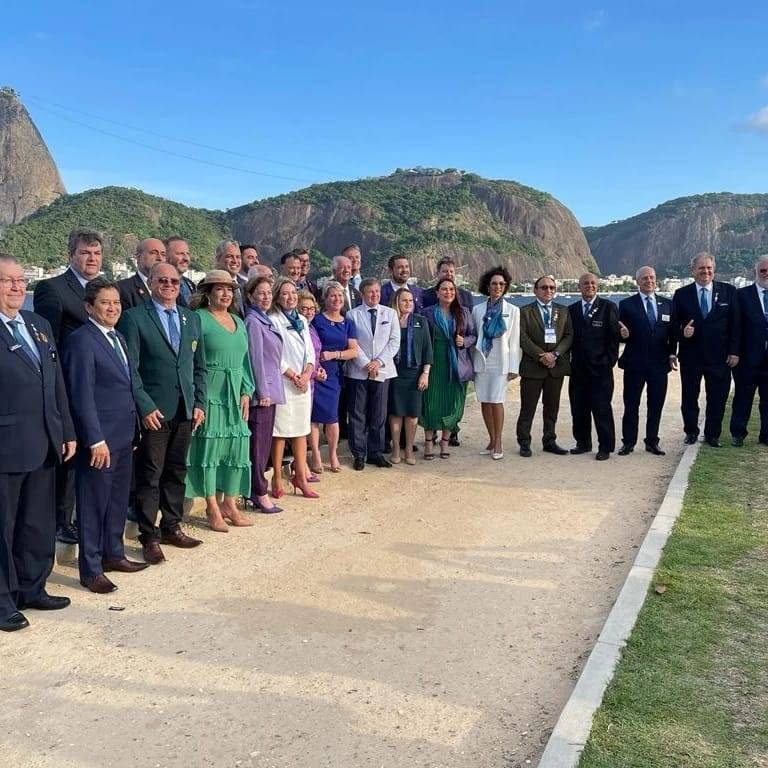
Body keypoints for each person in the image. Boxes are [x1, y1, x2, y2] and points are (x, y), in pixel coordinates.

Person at [0, 254, 76, 632]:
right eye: (7, 281)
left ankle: (33, 587)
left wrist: (67, 431)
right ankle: (2, 600)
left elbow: (56, 381)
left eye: (20, 280)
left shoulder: (37, 323)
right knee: (3, 526)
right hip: (6, 445)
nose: (17, 287)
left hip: (45, 441)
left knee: (36, 522)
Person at [62, 278, 147, 594]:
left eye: (116, 303)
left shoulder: (119, 339)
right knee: (93, 504)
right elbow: (81, 395)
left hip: (124, 435)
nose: (113, 308)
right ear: (89, 307)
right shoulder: (81, 341)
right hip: (99, 440)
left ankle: (114, 554)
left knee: (115, 501)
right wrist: (94, 439)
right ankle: (91, 568)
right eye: (105, 303)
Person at [118, 262, 207, 563]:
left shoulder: (190, 318)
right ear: (152, 283)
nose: (169, 285)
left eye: (174, 280)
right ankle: (148, 535)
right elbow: (131, 368)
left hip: (185, 408)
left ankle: (171, 526)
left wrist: (200, 402)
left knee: (176, 470)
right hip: (155, 411)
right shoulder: (133, 318)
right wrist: (144, 405)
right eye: (162, 280)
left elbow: (199, 367)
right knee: (150, 474)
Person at [33, 227, 103, 545]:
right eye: (85, 252)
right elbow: (50, 343)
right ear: (71, 255)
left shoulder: (104, 289)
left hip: (101, 385)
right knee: (69, 455)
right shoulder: (53, 289)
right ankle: (61, 520)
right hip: (69, 384)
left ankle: (83, 515)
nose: (92, 258)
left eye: (97, 253)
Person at [185, 270, 255, 532]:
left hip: (236, 393)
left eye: (230, 289)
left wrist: (247, 390)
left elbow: (246, 362)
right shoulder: (198, 319)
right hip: (211, 392)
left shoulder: (238, 320)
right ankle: (212, 506)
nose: (226, 294)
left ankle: (230, 502)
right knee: (210, 450)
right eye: (220, 289)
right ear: (208, 293)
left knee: (236, 449)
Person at [673, 252, 740, 447]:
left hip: (720, 358)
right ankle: (691, 432)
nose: (706, 271)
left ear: (714, 269)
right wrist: (682, 332)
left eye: (709, 268)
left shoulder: (729, 291)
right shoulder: (681, 294)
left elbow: (736, 325)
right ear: (692, 270)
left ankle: (712, 435)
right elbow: (673, 326)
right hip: (691, 356)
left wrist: (734, 351)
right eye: (701, 268)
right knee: (689, 397)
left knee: (717, 397)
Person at [617, 266, 678, 456]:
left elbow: (673, 333)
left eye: (651, 277)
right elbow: (620, 333)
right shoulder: (626, 305)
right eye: (644, 278)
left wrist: (672, 353)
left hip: (659, 364)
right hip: (635, 364)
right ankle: (628, 442)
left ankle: (652, 441)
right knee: (631, 405)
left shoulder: (667, 304)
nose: (649, 281)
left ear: (656, 279)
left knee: (656, 405)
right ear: (638, 282)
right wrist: (622, 335)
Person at [269, 278, 317, 498]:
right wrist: (293, 375)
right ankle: (277, 477)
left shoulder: (302, 320)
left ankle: (301, 475)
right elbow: (273, 355)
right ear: (278, 297)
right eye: (285, 293)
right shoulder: (273, 319)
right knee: (280, 433)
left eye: (294, 293)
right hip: (285, 383)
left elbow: (310, 352)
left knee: (301, 431)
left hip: (302, 384)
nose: (291, 297)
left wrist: (307, 374)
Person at [345, 278, 401, 470]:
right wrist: (366, 363)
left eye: (377, 291)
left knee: (379, 414)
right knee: (357, 414)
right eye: (370, 292)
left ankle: (375, 452)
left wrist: (378, 362)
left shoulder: (390, 314)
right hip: (359, 371)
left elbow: (394, 342)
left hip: (382, 369)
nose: (375, 295)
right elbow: (352, 342)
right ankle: (359, 453)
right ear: (362, 294)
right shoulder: (352, 315)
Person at [516, 276, 573, 457]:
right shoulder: (524, 312)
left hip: (555, 367)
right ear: (535, 290)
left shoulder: (563, 311)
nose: (548, 290)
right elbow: (522, 337)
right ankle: (524, 442)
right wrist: (541, 356)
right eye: (544, 287)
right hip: (533, 367)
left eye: (552, 288)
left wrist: (555, 354)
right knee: (528, 408)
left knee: (551, 407)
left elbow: (569, 336)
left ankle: (549, 441)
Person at [421, 279, 477, 459]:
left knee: (452, 404)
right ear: (437, 293)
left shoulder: (464, 313)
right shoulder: (427, 313)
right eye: (444, 289)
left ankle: (445, 443)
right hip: (434, 363)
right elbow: (423, 341)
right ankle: (429, 443)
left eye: (451, 289)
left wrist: (465, 341)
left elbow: (473, 335)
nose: (448, 292)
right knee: (430, 403)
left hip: (457, 365)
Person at [567, 272, 621, 461]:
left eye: (592, 283)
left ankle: (605, 446)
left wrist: (608, 362)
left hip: (601, 370)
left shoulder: (608, 307)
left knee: (601, 408)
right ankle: (583, 443)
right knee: (578, 408)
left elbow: (614, 339)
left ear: (597, 286)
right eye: (585, 283)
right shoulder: (572, 310)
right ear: (579, 287)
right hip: (578, 370)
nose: (589, 286)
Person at [244, 276, 285, 514]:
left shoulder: (264, 319)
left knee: (263, 443)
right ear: (250, 296)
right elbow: (255, 360)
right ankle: (259, 492)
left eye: (269, 292)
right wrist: (262, 390)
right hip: (263, 394)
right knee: (258, 447)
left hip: (271, 390)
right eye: (261, 293)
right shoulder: (253, 321)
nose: (266, 297)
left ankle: (257, 490)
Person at [308, 282, 359, 472]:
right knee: (313, 417)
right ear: (325, 299)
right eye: (332, 296)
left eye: (339, 296)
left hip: (334, 373)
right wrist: (317, 367)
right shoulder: (317, 320)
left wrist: (335, 355)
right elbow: (310, 345)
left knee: (332, 416)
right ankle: (316, 455)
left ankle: (332, 454)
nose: (337, 299)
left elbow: (354, 351)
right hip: (316, 371)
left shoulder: (347, 323)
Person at [472, 267, 520, 460]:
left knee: (497, 400)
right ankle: (491, 439)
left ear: (505, 286)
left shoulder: (513, 311)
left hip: (501, 362)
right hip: (482, 360)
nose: (498, 287)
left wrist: (513, 367)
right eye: (494, 283)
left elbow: (514, 341)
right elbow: (475, 336)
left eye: (501, 284)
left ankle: (499, 440)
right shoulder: (477, 310)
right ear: (487, 285)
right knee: (484, 399)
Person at [388, 288, 433, 465]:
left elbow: (427, 349)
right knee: (396, 412)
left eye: (411, 301)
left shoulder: (421, 322)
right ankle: (396, 447)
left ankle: (409, 448)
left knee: (412, 413)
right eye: (404, 301)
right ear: (396, 303)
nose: (408, 304)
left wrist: (425, 373)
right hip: (394, 373)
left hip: (414, 374)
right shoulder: (390, 322)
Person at [730, 256, 768, 446]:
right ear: (756, 272)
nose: (766, 274)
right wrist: (734, 352)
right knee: (743, 398)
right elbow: (735, 326)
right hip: (747, 358)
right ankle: (738, 434)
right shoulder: (742, 295)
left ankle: (766, 435)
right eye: (763, 270)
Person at [117, 238, 166, 309]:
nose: (160, 258)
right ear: (138, 257)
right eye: (153, 253)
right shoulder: (122, 289)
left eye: (163, 254)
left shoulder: (172, 288)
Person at [165, 236, 197, 307]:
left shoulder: (190, 285)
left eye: (187, 254)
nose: (186, 258)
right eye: (180, 253)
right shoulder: (159, 285)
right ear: (165, 256)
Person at [214, 239, 245, 313]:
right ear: (218, 259)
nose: (235, 261)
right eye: (229, 256)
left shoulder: (245, 286)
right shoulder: (210, 285)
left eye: (238, 257)